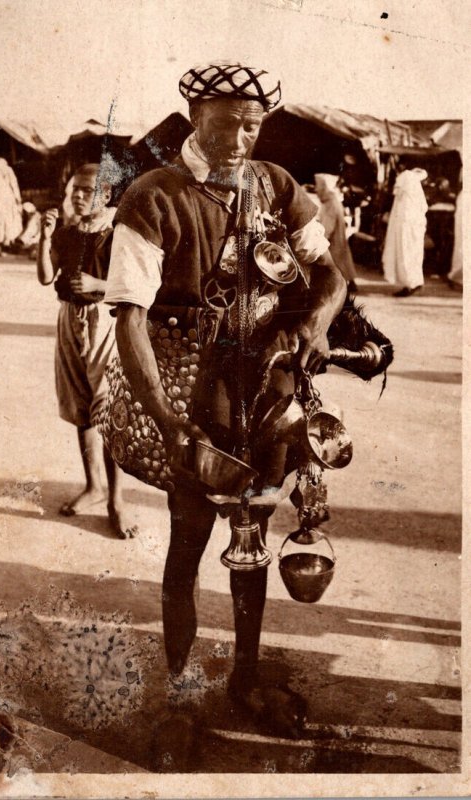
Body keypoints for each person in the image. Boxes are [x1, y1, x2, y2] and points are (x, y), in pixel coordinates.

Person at [104, 63, 346, 754]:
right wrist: (168, 419)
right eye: (223, 123)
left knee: (252, 545)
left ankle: (243, 677)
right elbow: (128, 321)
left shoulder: (275, 185)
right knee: (185, 551)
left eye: (250, 123)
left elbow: (327, 274)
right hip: (194, 394)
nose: (239, 136)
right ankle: (178, 699)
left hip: (267, 394)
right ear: (193, 117)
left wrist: (314, 326)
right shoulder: (152, 197)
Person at [37, 163, 138, 539]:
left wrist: (97, 281)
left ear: (107, 195)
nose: (78, 196)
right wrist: (44, 238)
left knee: (106, 408)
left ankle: (116, 500)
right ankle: (93, 485)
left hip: (103, 322)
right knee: (81, 406)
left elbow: (134, 283)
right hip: (69, 320)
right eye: (73, 190)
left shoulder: (117, 234)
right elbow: (47, 277)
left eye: (86, 190)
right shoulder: (66, 233)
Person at [382, 166, 428, 297]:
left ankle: (411, 284)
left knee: (408, 255)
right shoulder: (409, 197)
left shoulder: (410, 196)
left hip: (408, 232)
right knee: (410, 255)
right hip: (409, 231)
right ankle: (413, 283)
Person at [314, 173, 358, 292]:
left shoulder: (331, 203)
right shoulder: (331, 201)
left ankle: (344, 285)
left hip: (333, 239)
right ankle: (350, 283)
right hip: (337, 238)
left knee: (336, 261)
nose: (316, 189)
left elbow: (328, 225)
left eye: (318, 186)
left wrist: (321, 239)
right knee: (342, 260)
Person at [0, 157, 23, 256]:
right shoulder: (7, 169)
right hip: (5, 199)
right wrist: (18, 199)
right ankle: (0, 246)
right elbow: (14, 184)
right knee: (4, 223)